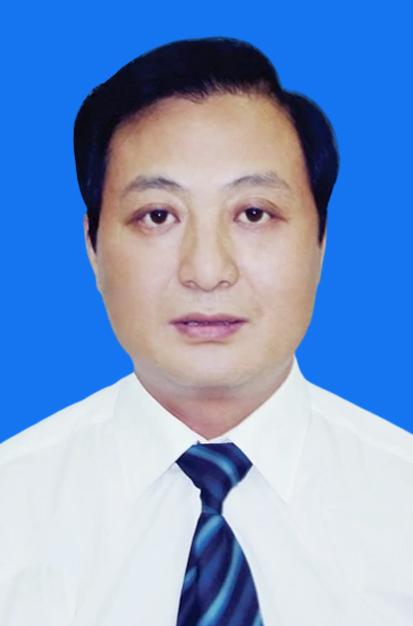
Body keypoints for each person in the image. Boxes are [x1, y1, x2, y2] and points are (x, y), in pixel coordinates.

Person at [1, 37, 412, 626]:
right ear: (92, 245)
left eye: (253, 214)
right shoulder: (11, 511)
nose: (207, 270)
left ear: (322, 240)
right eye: (158, 216)